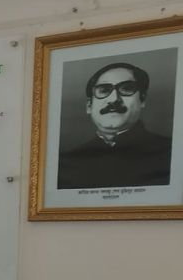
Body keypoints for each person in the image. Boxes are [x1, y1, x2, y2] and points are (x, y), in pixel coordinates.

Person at [58, 61, 172, 190]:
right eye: (103, 90)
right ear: (89, 106)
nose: (113, 99)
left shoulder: (170, 153)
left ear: (142, 99)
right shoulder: (66, 163)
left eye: (126, 89)